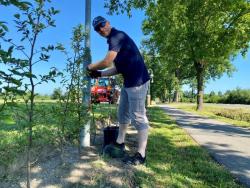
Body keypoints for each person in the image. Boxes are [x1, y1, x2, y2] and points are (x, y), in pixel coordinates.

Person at [87, 16, 150, 165]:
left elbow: (106, 61)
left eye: (102, 25)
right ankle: (120, 142)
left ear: (108, 23)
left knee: (138, 117)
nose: (101, 29)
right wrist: (100, 74)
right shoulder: (114, 42)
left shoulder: (117, 35)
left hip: (138, 81)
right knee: (122, 113)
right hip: (129, 81)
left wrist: (91, 67)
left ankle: (141, 154)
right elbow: (117, 68)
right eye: (97, 29)